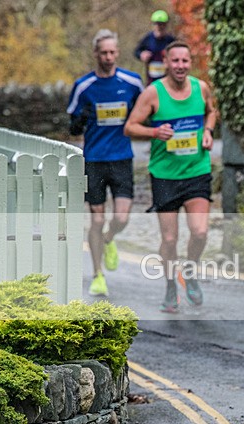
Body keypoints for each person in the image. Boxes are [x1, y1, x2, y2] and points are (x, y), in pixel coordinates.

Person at [124, 41, 217, 313]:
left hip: (197, 171)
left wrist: (209, 130)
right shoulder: (153, 93)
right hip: (164, 175)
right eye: (175, 61)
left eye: (184, 61)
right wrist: (155, 133)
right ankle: (169, 286)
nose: (180, 66)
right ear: (166, 62)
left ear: (190, 62)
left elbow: (212, 111)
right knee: (169, 240)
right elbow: (130, 127)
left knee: (200, 232)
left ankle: (189, 271)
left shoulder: (201, 88)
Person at [67, 30, 144, 297]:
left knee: (121, 217)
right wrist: (81, 119)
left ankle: (110, 240)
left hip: (122, 157)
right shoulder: (84, 86)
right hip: (95, 160)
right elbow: (72, 126)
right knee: (97, 220)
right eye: (104, 53)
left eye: (112, 52)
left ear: (118, 53)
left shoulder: (132, 82)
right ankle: (98, 274)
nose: (108, 57)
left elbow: (145, 110)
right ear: (96, 54)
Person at [134, 10, 176, 85]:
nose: (160, 27)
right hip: (151, 79)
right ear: (153, 25)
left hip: (168, 79)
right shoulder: (147, 39)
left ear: (166, 25)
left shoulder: (171, 40)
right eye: (158, 24)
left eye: (162, 24)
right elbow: (136, 52)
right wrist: (142, 54)